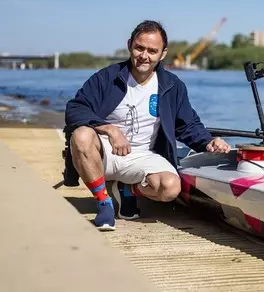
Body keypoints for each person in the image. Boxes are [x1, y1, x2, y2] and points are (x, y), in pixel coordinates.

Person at [64, 20, 231, 231]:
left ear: (162, 54)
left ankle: (128, 190)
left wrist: (208, 141)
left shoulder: (172, 85)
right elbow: (75, 108)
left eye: (152, 51)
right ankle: (103, 202)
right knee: (81, 136)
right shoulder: (106, 77)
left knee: (170, 189)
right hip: (103, 153)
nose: (144, 55)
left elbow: (187, 125)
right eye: (139, 48)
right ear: (129, 45)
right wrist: (110, 129)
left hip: (143, 156)